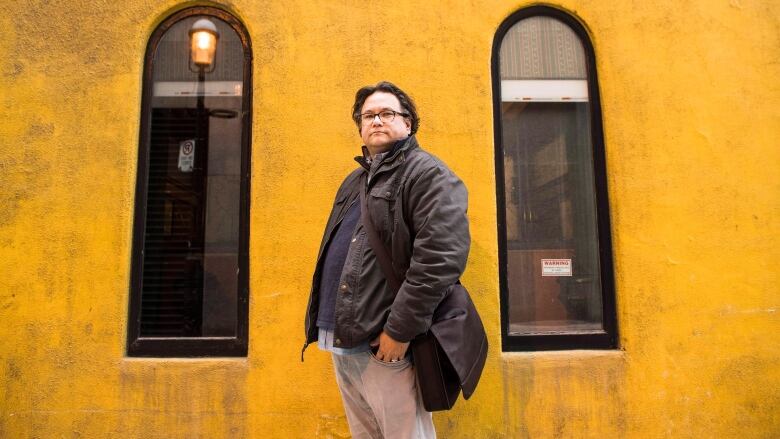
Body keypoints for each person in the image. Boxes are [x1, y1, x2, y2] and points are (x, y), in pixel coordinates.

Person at [302, 81, 470, 438]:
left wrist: (399, 330)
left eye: (387, 113)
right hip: (342, 337)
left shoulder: (428, 174)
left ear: (408, 123)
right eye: (368, 115)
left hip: (385, 341)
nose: (376, 120)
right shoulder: (354, 181)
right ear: (360, 127)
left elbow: (440, 259)